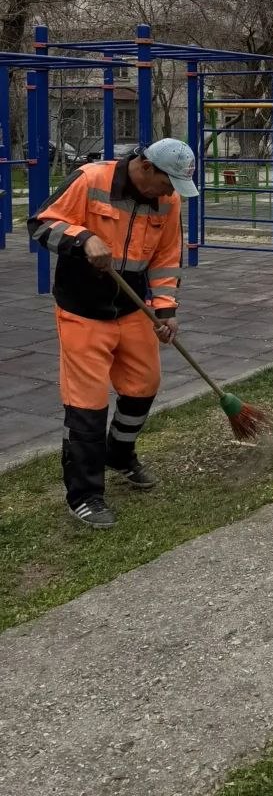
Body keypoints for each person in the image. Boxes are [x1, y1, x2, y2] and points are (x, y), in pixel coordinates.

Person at [27, 139, 199, 529]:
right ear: (146, 167)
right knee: (87, 403)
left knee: (143, 385)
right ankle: (84, 495)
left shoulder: (167, 203)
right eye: (167, 183)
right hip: (81, 308)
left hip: (132, 306)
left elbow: (167, 256)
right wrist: (84, 239)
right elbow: (40, 224)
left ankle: (119, 455)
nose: (170, 193)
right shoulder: (91, 180)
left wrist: (166, 309)